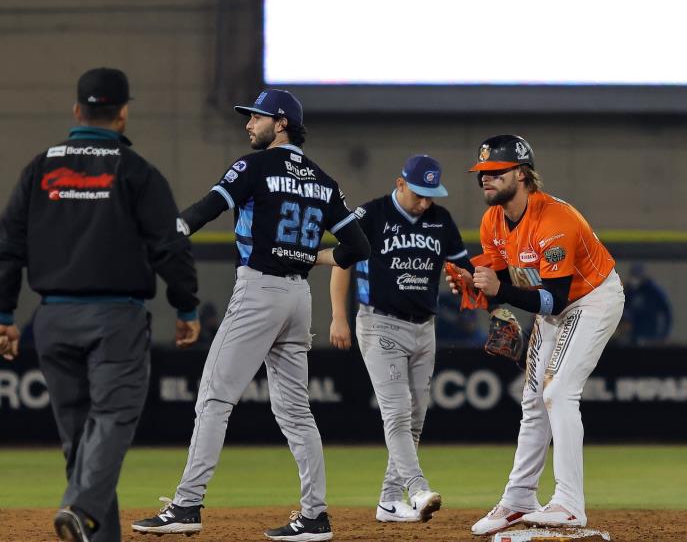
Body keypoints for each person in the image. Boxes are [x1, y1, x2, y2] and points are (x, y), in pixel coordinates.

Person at [131, 89, 370, 542]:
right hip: (299, 297)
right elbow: (358, 248)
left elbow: (209, 206)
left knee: (214, 398)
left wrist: (173, 231)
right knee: (297, 412)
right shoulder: (324, 179)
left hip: (259, 289)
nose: (248, 125)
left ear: (280, 123)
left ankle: (186, 504)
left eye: (256, 117)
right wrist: (307, 257)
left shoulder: (255, 165)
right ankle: (315, 516)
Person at [0, 67, 200, 542]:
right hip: (115, 318)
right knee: (112, 418)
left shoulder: (40, 168)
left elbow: (9, 244)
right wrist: (187, 306)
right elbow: (169, 246)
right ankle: (84, 508)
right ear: (123, 114)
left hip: (52, 320)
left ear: (77, 111)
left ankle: (91, 527)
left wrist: (5, 315)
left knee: (78, 437)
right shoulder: (135, 171)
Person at [449, 135, 624, 535]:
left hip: (590, 300)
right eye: (482, 174)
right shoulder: (493, 220)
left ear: (523, 174)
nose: (486, 180)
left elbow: (555, 300)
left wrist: (498, 290)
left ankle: (568, 503)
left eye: (496, 172)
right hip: (550, 304)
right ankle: (519, 498)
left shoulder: (555, 220)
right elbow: (500, 281)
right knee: (532, 398)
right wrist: (478, 289)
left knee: (558, 391)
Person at [329, 155, 474, 523]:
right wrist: (338, 317)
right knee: (396, 412)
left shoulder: (441, 221)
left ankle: (389, 501)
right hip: (380, 324)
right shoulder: (371, 215)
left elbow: (464, 270)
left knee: (415, 419)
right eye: (419, 194)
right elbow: (341, 262)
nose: (425, 202)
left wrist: (476, 287)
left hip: (425, 327)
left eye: (431, 195)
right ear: (400, 183)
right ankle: (418, 488)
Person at [623, 262, 672, 344]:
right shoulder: (629, 291)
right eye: (633, 275)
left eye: (637, 276)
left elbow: (667, 311)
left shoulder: (653, 291)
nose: (635, 279)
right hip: (634, 335)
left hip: (651, 333)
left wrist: (665, 333)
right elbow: (623, 309)